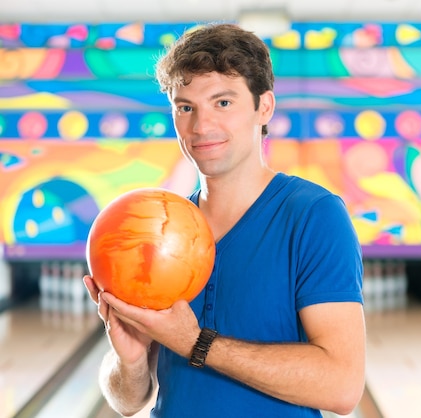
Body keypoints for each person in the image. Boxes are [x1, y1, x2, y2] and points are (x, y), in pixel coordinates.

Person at [83, 22, 365, 418]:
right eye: (186, 107)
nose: (201, 126)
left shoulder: (314, 215)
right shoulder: (159, 231)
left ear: (263, 106)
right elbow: (128, 402)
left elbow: (342, 387)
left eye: (223, 102)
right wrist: (129, 359)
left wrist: (195, 343)